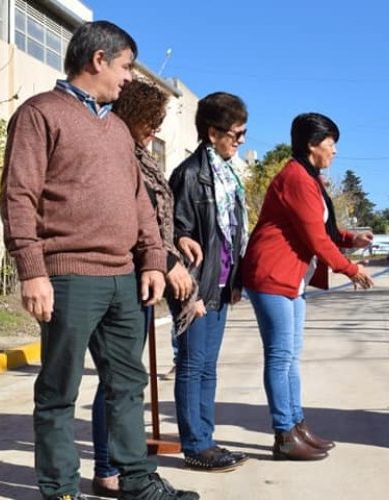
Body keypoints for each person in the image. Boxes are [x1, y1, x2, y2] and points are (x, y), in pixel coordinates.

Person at [0, 21, 198, 500]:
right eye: (126, 66)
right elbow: (17, 195)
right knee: (58, 393)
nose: (129, 78)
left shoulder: (116, 129)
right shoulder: (40, 113)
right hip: (68, 276)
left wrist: (152, 260)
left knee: (127, 387)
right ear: (99, 60)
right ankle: (61, 490)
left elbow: (140, 204)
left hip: (124, 280)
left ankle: (136, 482)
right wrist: (32, 271)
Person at [241, 113, 374, 461]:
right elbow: (315, 238)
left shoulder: (309, 178)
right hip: (271, 276)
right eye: (331, 143)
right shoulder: (297, 178)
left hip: (291, 280)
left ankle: (297, 425)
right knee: (280, 356)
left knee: (291, 358)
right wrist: (350, 269)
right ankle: (284, 435)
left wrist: (350, 239)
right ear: (312, 144)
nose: (334, 151)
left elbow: (321, 229)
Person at [88, 78, 199, 497]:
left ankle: (123, 466)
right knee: (116, 380)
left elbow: (155, 216)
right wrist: (166, 260)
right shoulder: (117, 155)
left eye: (158, 123)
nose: (154, 130)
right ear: (129, 116)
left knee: (125, 379)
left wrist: (174, 244)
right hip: (123, 273)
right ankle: (107, 468)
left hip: (145, 276)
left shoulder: (140, 154)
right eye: (149, 122)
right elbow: (131, 221)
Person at [168, 91, 250, 472]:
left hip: (220, 286)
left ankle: (207, 438)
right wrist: (192, 296)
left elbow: (231, 234)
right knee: (191, 365)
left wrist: (235, 280)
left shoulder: (228, 175)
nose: (242, 141)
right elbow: (178, 236)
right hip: (196, 289)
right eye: (236, 134)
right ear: (213, 132)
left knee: (208, 367)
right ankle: (195, 445)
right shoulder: (189, 175)